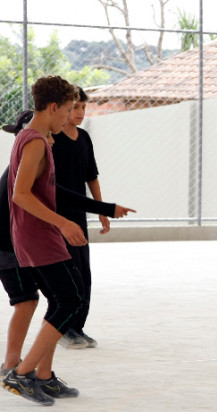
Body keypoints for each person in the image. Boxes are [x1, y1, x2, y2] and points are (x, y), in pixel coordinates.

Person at [0, 110, 134, 375]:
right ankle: (15, 367)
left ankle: (38, 372)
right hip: (8, 243)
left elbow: (61, 194)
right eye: (49, 135)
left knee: (53, 302)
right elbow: (26, 199)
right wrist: (63, 224)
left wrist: (105, 207)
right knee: (30, 301)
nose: (53, 141)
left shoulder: (38, 162)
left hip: (22, 242)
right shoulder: (27, 161)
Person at [2, 75, 85, 406]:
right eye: (67, 110)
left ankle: (44, 377)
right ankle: (22, 373)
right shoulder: (35, 142)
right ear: (53, 107)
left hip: (35, 234)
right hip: (38, 236)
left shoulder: (29, 136)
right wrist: (63, 223)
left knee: (59, 300)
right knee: (71, 300)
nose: (69, 117)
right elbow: (20, 195)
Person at [52, 87, 106, 348]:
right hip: (56, 217)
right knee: (65, 271)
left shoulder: (83, 138)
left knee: (84, 271)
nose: (80, 113)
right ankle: (61, 328)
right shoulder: (51, 139)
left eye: (84, 107)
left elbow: (91, 175)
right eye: (75, 108)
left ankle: (77, 326)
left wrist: (102, 209)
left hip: (79, 216)